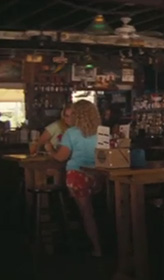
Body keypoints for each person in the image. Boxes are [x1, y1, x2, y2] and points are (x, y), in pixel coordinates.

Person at [49, 100, 102, 257]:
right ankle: (103, 245)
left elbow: (60, 157)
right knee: (96, 211)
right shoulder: (102, 131)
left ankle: (96, 248)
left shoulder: (71, 133)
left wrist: (50, 150)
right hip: (98, 175)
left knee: (86, 213)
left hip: (77, 175)